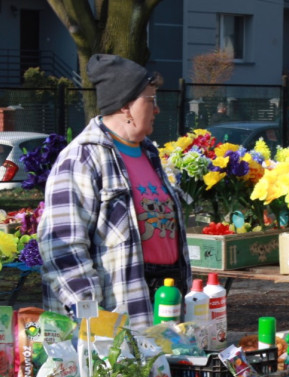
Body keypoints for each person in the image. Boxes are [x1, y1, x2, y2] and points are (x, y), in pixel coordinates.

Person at [39, 53, 191, 332]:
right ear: (125, 106)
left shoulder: (149, 153)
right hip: (117, 310)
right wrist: (90, 316)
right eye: (150, 99)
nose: (157, 109)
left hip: (167, 294)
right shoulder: (83, 158)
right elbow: (62, 246)